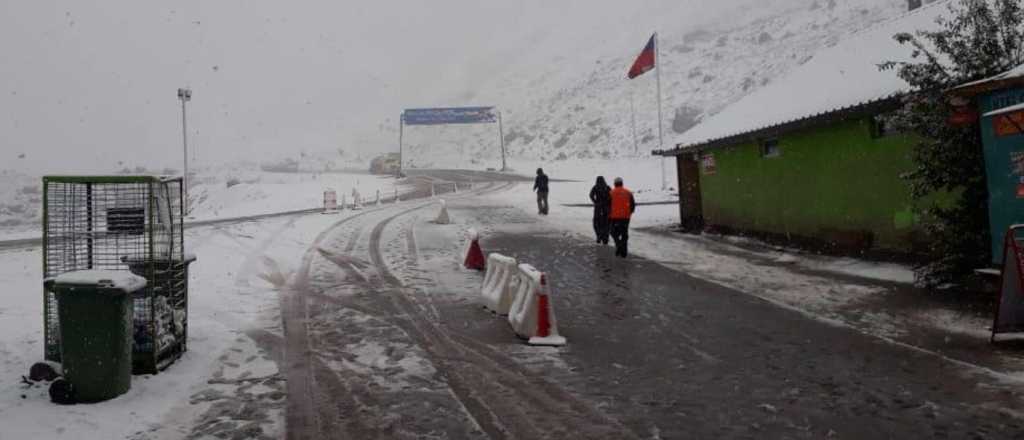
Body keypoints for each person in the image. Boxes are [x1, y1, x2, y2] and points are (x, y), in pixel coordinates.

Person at [609, 177, 636, 258]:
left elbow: (607, 205)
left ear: (615, 184)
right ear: (622, 183)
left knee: (614, 233)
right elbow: (632, 205)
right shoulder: (628, 193)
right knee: (624, 234)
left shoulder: (611, 193)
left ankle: (618, 244)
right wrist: (629, 213)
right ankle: (624, 252)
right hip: (625, 217)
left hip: (614, 217)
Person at [589, 176, 611, 244]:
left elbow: (591, 195)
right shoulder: (607, 187)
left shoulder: (595, 187)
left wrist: (595, 202)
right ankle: (605, 238)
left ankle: (598, 235)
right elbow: (611, 196)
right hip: (606, 208)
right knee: (606, 223)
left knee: (596, 222)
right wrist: (608, 203)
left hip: (598, 207)